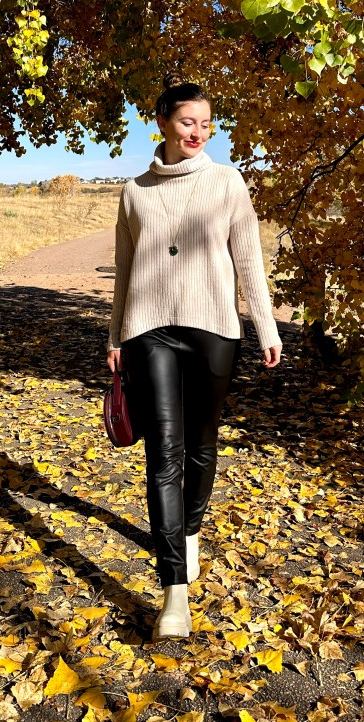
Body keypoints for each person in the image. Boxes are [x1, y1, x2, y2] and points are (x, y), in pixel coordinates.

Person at [106, 75, 282, 639]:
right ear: (162, 122)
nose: (198, 132)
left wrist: (265, 325)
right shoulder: (134, 191)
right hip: (148, 330)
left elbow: (248, 259)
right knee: (163, 454)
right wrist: (115, 337)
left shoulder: (227, 182)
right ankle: (174, 594)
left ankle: (190, 531)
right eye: (188, 122)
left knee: (202, 446)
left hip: (213, 330)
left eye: (206, 124)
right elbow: (125, 270)